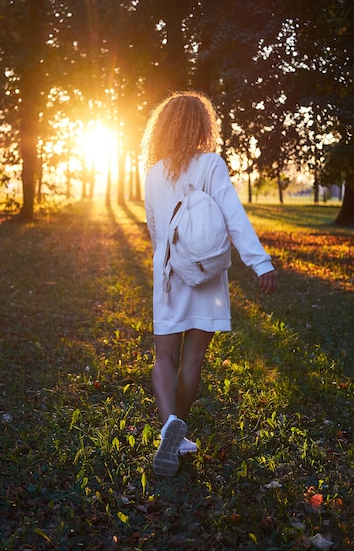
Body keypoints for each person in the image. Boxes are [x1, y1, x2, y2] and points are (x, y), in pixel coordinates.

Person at [142, 91, 277, 477]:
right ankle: (176, 428)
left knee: (163, 356)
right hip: (206, 273)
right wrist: (259, 261)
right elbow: (233, 216)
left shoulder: (153, 174)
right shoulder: (211, 164)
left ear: (163, 129)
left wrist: (165, 266)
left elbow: (155, 232)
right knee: (193, 359)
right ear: (203, 126)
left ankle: (171, 425)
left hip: (169, 273)